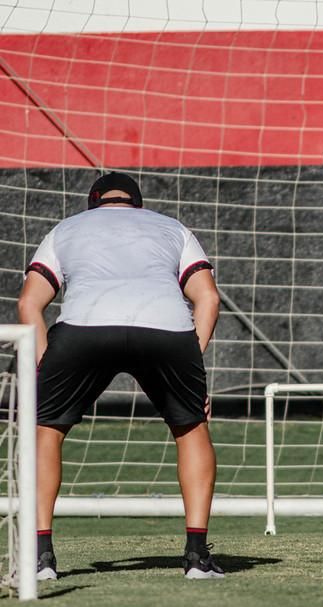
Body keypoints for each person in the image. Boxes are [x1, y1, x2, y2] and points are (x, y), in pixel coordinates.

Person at [17, 172, 224, 580]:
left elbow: (29, 304)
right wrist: (190, 366)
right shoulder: (173, 228)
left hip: (84, 328)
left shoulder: (66, 228)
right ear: (137, 204)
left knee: (46, 430)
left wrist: (46, 369)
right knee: (192, 428)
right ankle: (197, 558)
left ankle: (41, 559)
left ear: (94, 203)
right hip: (166, 329)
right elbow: (208, 298)